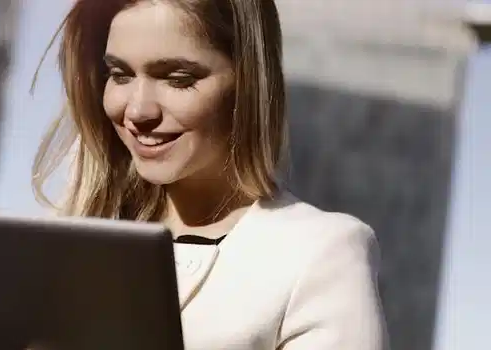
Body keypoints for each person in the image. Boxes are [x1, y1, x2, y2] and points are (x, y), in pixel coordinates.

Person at [31, 0, 388, 349]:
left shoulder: (319, 253)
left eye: (178, 79)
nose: (138, 110)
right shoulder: (73, 233)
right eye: (120, 75)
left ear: (247, 83)